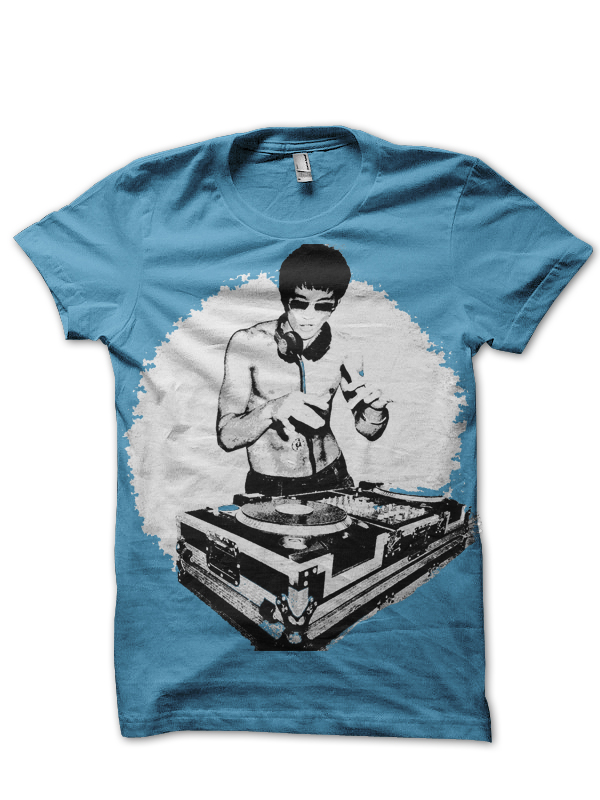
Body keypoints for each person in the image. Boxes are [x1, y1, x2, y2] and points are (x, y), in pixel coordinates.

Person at [217, 244, 390, 495]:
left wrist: (376, 411)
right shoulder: (248, 344)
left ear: (336, 304)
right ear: (285, 299)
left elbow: (368, 430)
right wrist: (273, 409)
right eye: (300, 304)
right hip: (272, 485)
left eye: (323, 306)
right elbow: (226, 437)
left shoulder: (345, 348)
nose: (310, 316)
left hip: (333, 476)